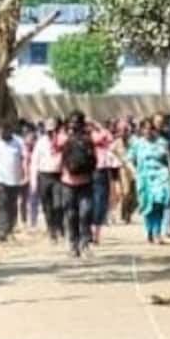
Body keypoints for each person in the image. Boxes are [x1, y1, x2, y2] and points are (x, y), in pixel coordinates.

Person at [129, 122, 170, 245]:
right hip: (144, 177)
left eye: (150, 128)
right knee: (147, 205)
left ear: (154, 130)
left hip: (161, 177)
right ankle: (149, 230)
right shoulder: (137, 144)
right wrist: (134, 173)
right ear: (141, 130)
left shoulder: (162, 143)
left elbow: (169, 160)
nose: (148, 131)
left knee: (159, 204)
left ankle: (157, 232)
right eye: (145, 129)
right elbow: (129, 159)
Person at [60, 110, 98, 257]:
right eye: (72, 122)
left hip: (85, 182)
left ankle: (85, 243)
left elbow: (94, 159)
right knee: (71, 215)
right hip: (68, 183)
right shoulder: (63, 139)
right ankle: (73, 244)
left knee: (85, 213)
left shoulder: (88, 140)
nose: (74, 125)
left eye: (77, 122)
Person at [0, 119, 28, 243]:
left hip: (15, 179)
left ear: (10, 131)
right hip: (0, 179)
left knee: (12, 205)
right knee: (2, 203)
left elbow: (24, 159)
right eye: (1, 130)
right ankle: (2, 230)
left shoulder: (18, 142)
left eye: (6, 130)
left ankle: (10, 229)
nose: (3, 132)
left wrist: (25, 174)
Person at [32, 118, 65, 241]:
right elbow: (35, 162)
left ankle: (60, 228)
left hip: (58, 176)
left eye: (54, 130)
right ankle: (51, 231)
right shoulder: (41, 142)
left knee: (59, 204)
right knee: (47, 206)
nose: (52, 133)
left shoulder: (62, 141)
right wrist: (34, 180)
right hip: (44, 176)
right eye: (49, 130)